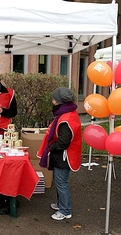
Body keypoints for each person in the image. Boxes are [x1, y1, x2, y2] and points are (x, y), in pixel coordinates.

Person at [37, 87, 82, 221]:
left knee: (61, 182)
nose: (52, 100)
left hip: (64, 155)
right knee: (59, 181)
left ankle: (65, 210)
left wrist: (50, 147)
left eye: (54, 98)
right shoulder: (69, 113)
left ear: (59, 101)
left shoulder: (65, 118)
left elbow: (63, 142)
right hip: (63, 154)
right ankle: (61, 205)